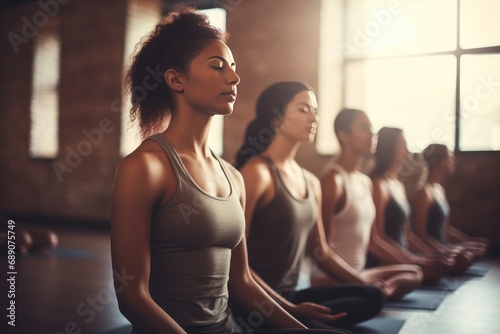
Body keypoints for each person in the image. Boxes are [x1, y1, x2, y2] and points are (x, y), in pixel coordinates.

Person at [111, 6, 346, 334]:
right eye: (217, 66)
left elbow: (243, 282)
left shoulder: (233, 176)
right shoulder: (145, 167)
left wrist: (297, 320)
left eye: (233, 68)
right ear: (176, 79)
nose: (234, 77)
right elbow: (131, 296)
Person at [234, 82, 383, 330]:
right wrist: (289, 309)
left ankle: (306, 320)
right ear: (277, 120)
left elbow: (320, 251)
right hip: (256, 303)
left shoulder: (311, 182)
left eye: (315, 110)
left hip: (293, 294)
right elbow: (237, 265)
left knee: (372, 296)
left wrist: (364, 282)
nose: (314, 117)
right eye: (304, 109)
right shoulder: (257, 174)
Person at [310, 109, 423, 301]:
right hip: (331, 278)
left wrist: (414, 259)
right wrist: (361, 282)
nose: (372, 134)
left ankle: (376, 292)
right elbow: (322, 251)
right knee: (377, 290)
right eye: (364, 128)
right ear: (343, 135)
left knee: (415, 273)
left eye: (371, 128)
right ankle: (370, 293)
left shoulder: (365, 181)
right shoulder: (333, 180)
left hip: (361, 273)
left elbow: (373, 240)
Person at [369, 128, 454, 283]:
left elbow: (408, 234)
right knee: (421, 274)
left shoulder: (398, 185)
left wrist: (429, 255)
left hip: (405, 257)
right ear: (389, 148)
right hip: (387, 260)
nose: (407, 149)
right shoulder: (378, 185)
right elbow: (379, 238)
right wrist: (413, 261)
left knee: (446, 262)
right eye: (402, 144)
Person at [412, 144, 490, 273]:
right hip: (433, 249)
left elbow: (447, 229)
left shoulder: (439, 189)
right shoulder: (424, 192)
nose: (453, 161)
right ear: (439, 161)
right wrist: (442, 251)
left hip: (444, 247)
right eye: (449, 158)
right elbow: (421, 234)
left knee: (479, 248)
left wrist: (469, 241)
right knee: (466, 257)